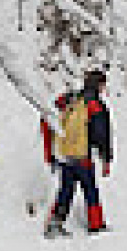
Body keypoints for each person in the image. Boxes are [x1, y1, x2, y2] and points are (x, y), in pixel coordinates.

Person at [42, 70, 113, 236]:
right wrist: (106, 158)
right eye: (103, 85)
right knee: (90, 190)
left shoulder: (72, 99)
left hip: (65, 154)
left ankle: (55, 223)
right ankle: (96, 224)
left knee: (66, 189)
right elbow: (101, 133)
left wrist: (51, 154)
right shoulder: (94, 104)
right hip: (82, 156)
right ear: (99, 85)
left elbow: (49, 116)